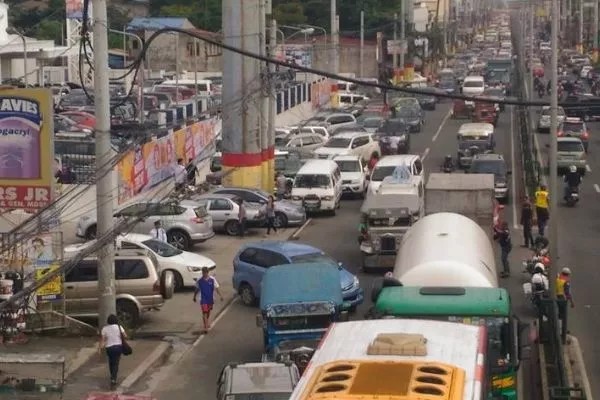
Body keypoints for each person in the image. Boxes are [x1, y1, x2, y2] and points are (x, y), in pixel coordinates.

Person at [99, 314, 127, 387]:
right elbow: (125, 336)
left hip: (109, 348)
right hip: (118, 347)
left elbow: (102, 340)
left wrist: (100, 348)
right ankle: (113, 378)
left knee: (111, 362)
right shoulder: (119, 327)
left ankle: (112, 375)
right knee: (116, 363)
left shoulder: (104, 329)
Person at [193, 267, 223, 333]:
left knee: (208, 312)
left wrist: (220, 296)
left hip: (210, 299)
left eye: (205, 272)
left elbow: (217, 288)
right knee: (204, 313)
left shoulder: (212, 279)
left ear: (208, 272)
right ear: (202, 272)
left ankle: (206, 322)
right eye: (203, 272)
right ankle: (206, 327)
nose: (204, 274)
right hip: (203, 299)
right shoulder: (199, 280)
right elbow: (197, 289)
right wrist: (194, 297)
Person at [556, 267, 574, 340]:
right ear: (568, 274)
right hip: (562, 299)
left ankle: (559, 330)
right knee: (563, 316)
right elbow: (568, 293)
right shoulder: (566, 282)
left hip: (556, 298)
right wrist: (572, 302)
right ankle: (562, 332)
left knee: (558, 315)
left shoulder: (557, 279)